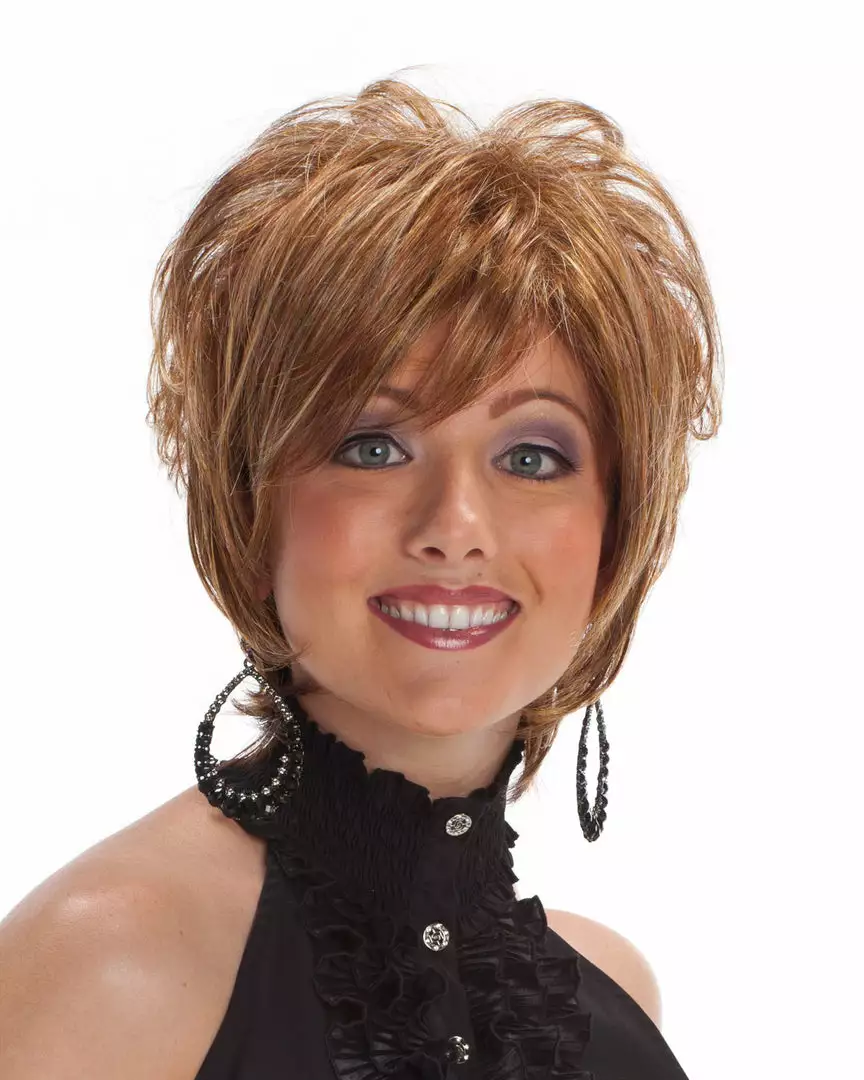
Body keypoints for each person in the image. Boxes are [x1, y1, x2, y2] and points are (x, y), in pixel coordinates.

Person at [0, 76, 722, 1078]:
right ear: (250, 503)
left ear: (617, 526)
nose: (456, 530)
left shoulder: (616, 998)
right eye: (373, 447)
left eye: (531, 457)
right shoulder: (111, 970)